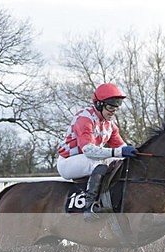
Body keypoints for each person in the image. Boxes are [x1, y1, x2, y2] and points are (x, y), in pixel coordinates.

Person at [57, 83, 139, 221]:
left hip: (87, 158)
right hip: (68, 161)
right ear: (99, 104)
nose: (113, 111)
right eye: (111, 107)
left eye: (116, 108)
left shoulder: (110, 124)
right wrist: (119, 152)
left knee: (119, 163)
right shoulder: (84, 118)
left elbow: (121, 147)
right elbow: (88, 150)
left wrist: (133, 153)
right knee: (99, 163)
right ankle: (90, 207)